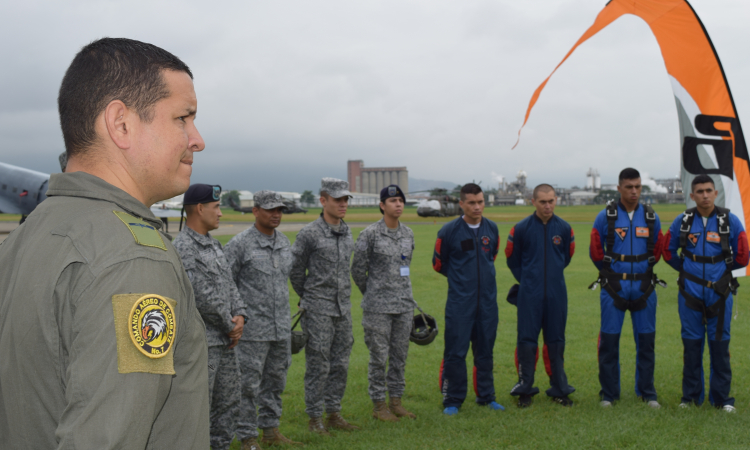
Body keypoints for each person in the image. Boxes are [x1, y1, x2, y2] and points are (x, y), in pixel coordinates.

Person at [0, 38, 210, 448]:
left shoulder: (30, 234)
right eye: (183, 118)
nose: (197, 138)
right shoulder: (131, 259)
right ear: (121, 124)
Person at [662, 174, 749, 411]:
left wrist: (721, 274)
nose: (705, 195)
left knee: (720, 347)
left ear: (715, 193)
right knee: (692, 346)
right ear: (692, 196)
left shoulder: (730, 220)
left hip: (720, 295)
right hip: (689, 293)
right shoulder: (682, 220)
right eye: (699, 191)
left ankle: (721, 399)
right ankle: (690, 398)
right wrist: (687, 272)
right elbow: (667, 251)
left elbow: (743, 254)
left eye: (709, 190)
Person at [225, 191, 302, 448]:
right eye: (270, 209)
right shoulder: (240, 244)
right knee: (248, 385)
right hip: (252, 331)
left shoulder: (283, 242)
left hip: (281, 328)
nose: (276, 214)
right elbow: (225, 283)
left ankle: (271, 431)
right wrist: (235, 317)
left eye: (279, 209)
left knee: (276, 382)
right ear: (255, 210)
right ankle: (247, 437)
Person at [173, 184, 247, 450]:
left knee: (228, 402)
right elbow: (200, 294)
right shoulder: (183, 246)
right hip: (203, 346)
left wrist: (240, 315)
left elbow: (229, 284)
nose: (221, 213)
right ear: (200, 208)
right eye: (216, 207)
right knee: (201, 406)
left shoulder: (214, 245)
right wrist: (230, 325)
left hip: (226, 342)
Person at [589, 168, 663, 408]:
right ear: (619, 188)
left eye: (638, 186)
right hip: (614, 287)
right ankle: (609, 394)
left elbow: (659, 249)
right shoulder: (605, 217)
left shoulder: (652, 216)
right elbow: (596, 251)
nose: (634, 191)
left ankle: (647, 393)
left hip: (644, 287)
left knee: (646, 343)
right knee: (609, 343)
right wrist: (614, 274)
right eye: (629, 187)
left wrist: (640, 272)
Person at [290, 178, 359, 435]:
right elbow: (295, 269)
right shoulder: (309, 233)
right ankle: (314, 419)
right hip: (318, 309)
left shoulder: (346, 230)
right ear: (323, 200)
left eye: (345, 200)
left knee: (340, 363)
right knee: (319, 365)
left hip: (343, 308)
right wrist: (308, 296)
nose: (343, 204)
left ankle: (334, 413)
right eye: (337, 199)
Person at [432, 183, 503, 415]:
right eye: (471, 203)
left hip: (488, 303)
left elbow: (492, 256)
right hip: (460, 304)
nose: (477, 207)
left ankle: (486, 396)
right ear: (461, 203)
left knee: (485, 351)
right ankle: (452, 399)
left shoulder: (492, 228)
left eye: (480, 202)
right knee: (455, 352)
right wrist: (461, 281)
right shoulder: (448, 231)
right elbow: (438, 263)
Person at [351, 184, 417, 422]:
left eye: (400, 200)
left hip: (403, 306)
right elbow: (358, 270)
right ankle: (379, 406)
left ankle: (396, 402)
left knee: (399, 356)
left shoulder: (408, 233)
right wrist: (373, 293)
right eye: (392, 201)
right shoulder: (369, 234)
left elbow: (405, 267)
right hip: (377, 308)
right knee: (379, 357)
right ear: (382, 205)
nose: (398, 204)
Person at [506, 184, 575, 407]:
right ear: (532, 201)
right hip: (529, 295)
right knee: (526, 341)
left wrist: (550, 277)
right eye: (542, 201)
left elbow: (566, 257)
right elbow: (512, 260)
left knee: (556, 341)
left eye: (551, 201)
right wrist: (529, 280)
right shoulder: (521, 228)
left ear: (556, 200)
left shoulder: (565, 228)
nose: (547, 205)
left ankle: (559, 389)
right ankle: (525, 388)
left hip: (557, 294)